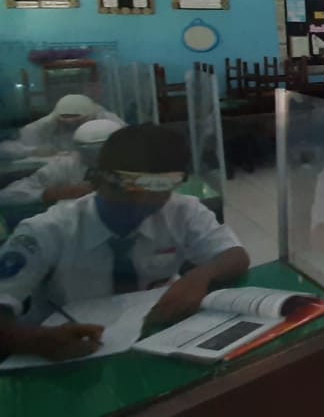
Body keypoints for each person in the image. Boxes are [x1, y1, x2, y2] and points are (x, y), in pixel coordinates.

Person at [0, 124, 248, 360]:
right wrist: (34, 340)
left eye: (153, 195)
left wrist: (200, 276)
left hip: (157, 337)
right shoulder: (45, 231)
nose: (138, 204)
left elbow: (235, 255)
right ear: (97, 180)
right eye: (125, 193)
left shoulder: (181, 211)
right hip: (70, 353)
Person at [0, 119, 122, 207]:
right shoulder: (65, 165)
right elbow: (7, 195)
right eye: (88, 151)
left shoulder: (135, 166)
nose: (95, 158)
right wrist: (56, 193)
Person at [0, 94, 124, 159]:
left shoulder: (106, 119)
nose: (70, 124)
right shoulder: (46, 124)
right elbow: (4, 148)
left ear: (90, 116)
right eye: (65, 121)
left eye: (77, 121)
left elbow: (131, 142)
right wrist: (31, 151)